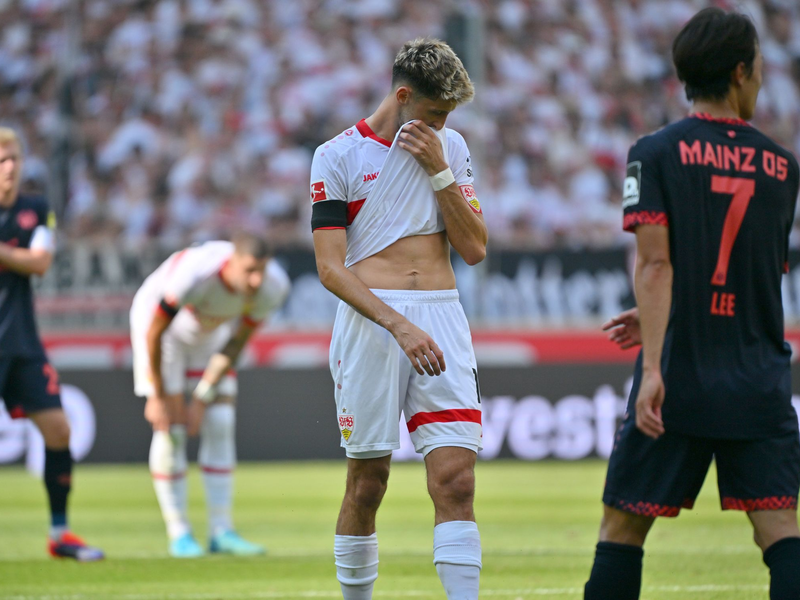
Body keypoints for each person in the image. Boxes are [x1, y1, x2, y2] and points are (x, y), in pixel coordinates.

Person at [584, 8, 800, 600]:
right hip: (757, 374)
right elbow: (755, 273)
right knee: (781, 533)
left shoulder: (654, 152)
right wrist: (669, 306)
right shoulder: (783, 166)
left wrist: (653, 365)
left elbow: (657, 263)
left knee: (623, 529)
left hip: (678, 374)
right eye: (757, 69)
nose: (759, 80)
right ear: (738, 73)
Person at [311, 38, 487, 599]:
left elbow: (475, 247)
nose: (441, 125)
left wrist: (439, 171)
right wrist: (398, 325)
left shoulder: (450, 146)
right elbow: (331, 270)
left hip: (441, 314)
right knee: (369, 482)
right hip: (374, 324)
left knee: (457, 481)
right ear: (405, 95)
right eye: (434, 113)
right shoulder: (336, 156)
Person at [129, 233, 290, 558]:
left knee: (220, 421)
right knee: (171, 431)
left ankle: (222, 531)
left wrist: (202, 397)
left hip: (211, 337)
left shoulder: (274, 286)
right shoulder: (195, 274)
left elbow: (237, 342)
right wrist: (158, 395)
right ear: (231, 262)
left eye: (262, 269)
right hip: (164, 335)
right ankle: (180, 534)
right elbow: (156, 330)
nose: (256, 280)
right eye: (249, 270)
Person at [0, 127, 104, 562]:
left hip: (20, 341)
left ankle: (60, 533)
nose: (8, 168)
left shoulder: (35, 209)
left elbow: (39, 261)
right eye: (0, 161)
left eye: (13, 160)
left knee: (58, 431)